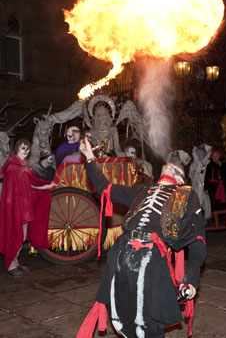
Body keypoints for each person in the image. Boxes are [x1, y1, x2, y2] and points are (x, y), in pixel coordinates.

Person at [76, 137, 206, 338]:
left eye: (177, 167)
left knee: (147, 325)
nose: (171, 164)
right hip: (121, 253)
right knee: (121, 321)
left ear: (181, 179)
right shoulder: (142, 189)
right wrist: (91, 158)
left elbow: (198, 242)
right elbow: (104, 188)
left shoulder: (187, 196)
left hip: (152, 257)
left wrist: (191, 279)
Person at [0, 139, 55, 277]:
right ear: (17, 149)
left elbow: (32, 183)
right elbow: (15, 190)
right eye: (23, 148)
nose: (26, 151)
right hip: (16, 208)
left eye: (27, 148)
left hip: (23, 207)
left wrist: (47, 186)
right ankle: (11, 265)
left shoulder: (23, 166)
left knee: (21, 236)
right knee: (16, 235)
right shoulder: (14, 168)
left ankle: (15, 262)